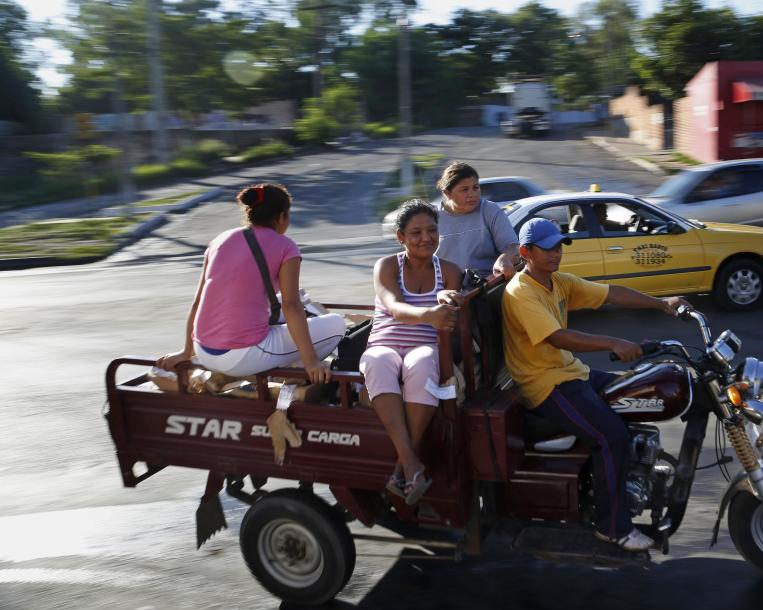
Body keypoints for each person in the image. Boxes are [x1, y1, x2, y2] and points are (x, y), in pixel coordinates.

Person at [501, 217, 686, 552]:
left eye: (559, 246)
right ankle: (612, 527)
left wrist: (663, 304)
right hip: (544, 384)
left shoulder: (556, 282)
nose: (556, 253)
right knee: (610, 436)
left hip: (572, 372)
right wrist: (613, 343)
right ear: (526, 252)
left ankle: (626, 482)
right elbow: (558, 337)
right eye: (548, 248)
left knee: (636, 393)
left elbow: (610, 294)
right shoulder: (520, 292)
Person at [157, 183, 346, 383]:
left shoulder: (220, 240)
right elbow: (291, 306)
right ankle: (294, 373)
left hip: (202, 349)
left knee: (284, 306)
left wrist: (185, 352)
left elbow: (198, 302)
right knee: (336, 324)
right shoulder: (286, 246)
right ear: (282, 217)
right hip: (240, 356)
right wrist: (311, 362)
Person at [359, 199, 463, 505]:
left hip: (424, 346)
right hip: (385, 343)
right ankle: (411, 463)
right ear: (400, 237)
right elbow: (392, 305)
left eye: (432, 230)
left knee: (424, 362)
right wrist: (428, 314)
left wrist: (446, 300)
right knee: (378, 361)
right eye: (416, 232)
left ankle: (403, 467)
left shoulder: (450, 271)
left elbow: (453, 314)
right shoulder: (387, 265)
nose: (426, 238)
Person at [435, 161, 520, 278]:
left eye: (475, 188)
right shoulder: (432, 219)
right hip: (447, 291)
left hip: (488, 287)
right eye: (464, 190)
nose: (472, 194)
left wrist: (505, 258)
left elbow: (513, 247)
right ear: (447, 193)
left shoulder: (490, 211)